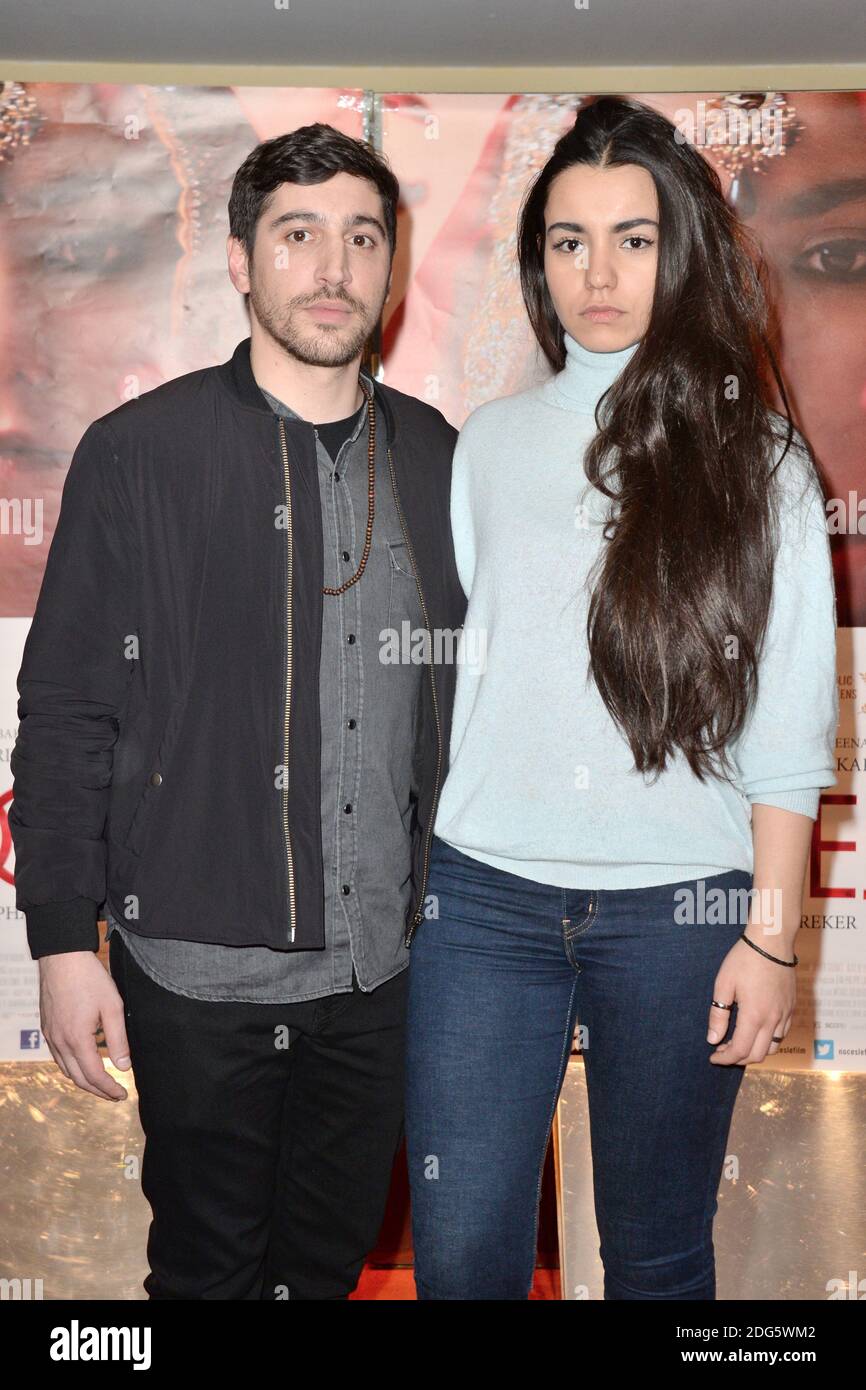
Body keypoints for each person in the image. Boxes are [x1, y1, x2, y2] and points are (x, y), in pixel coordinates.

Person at [9, 123, 466, 1299]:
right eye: (297, 234)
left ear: (390, 263)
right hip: (200, 973)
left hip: (383, 977)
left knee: (324, 1269)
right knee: (208, 1273)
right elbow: (64, 708)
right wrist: (64, 940)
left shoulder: (435, 455)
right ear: (237, 261)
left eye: (361, 237)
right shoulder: (137, 455)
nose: (332, 267)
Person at [404, 95, 839, 1301]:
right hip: (480, 904)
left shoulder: (757, 460)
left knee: (654, 1255)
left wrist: (766, 934)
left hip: (679, 914)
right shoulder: (481, 446)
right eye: (567, 240)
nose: (597, 270)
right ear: (537, 263)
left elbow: (787, 732)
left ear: (680, 248)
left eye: (632, 237)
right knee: (462, 1257)